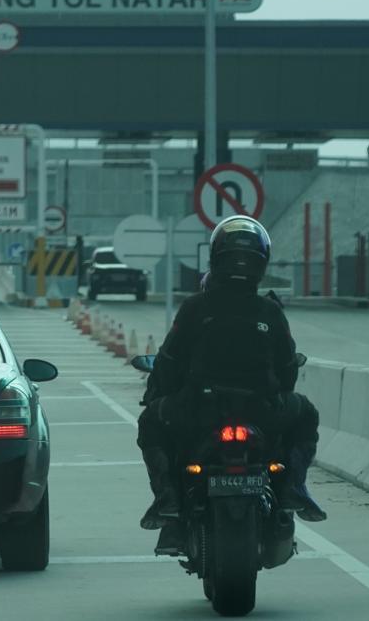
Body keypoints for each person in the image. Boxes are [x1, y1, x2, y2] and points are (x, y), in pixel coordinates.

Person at [137, 215, 326, 533]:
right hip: (262, 410)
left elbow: (169, 361)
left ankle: (167, 497)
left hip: (200, 410)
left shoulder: (195, 307)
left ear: (215, 257)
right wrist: (277, 394)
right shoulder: (270, 311)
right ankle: (294, 487)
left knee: (150, 421)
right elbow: (287, 368)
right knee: (306, 414)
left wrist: (159, 394)